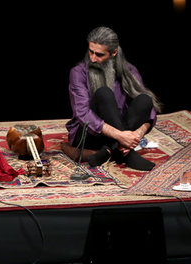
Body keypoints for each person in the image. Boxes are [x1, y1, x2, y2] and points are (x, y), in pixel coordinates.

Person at [65, 26, 162, 171]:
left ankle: (109, 151)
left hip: (122, 128)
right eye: (90, 52)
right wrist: (120, 136)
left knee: (145, 100)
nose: (92, 58)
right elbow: (82, 113)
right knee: (104, 93)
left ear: (114, 53)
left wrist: (137, 134)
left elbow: (150, 113)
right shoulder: (78, 73)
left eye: (99, 54)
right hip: (89, 134)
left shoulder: (129, 70)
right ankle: (129, 156)